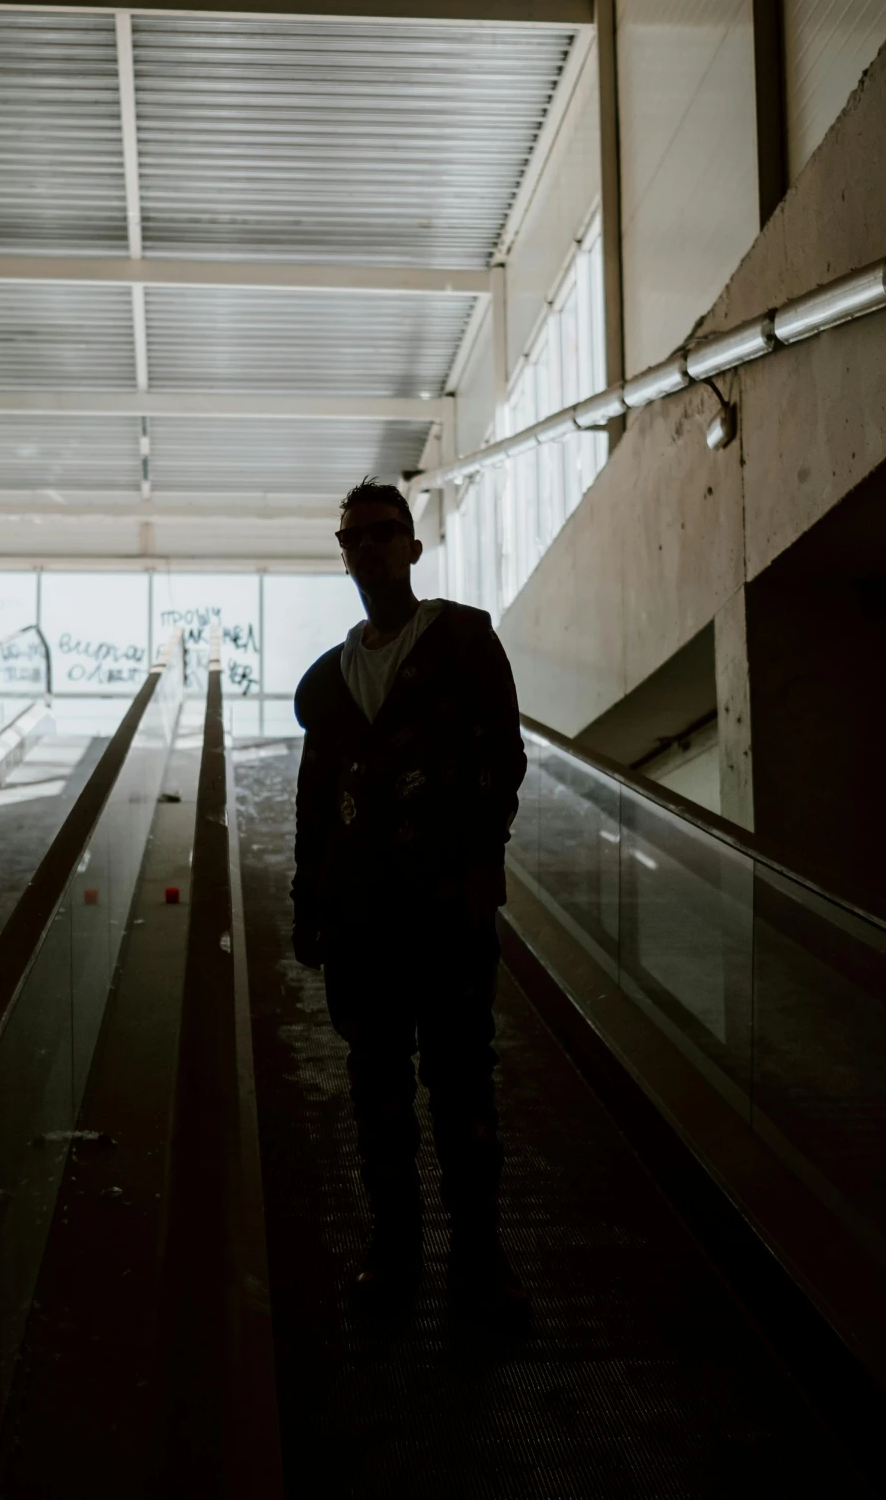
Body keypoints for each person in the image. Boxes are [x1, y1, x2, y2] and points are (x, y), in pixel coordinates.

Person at [291, 479, 529, 1321]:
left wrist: (479, 858)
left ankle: (477, 1260)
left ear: (413, 546)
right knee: (378, 1093)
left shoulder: (462, 639)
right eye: (352, 538)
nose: (368, 549)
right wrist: (306, 903)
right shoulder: (329, 683)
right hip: (364, 923)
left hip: (446, 910)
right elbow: (316, 801)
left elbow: (504, 755)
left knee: (463, 1086)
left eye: (384, 533)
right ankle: (394, 1255)